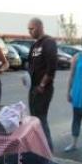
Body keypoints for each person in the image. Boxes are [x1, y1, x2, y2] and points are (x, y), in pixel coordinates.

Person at [27, 18, 57, 151]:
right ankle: (39, 148)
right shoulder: (34, 45)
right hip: (33, 88)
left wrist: (42, 85)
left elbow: (51, 68)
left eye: (31, 28)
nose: (29, 31)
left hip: (43, 89)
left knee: (41, 119)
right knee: (34, 119)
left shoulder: (49, 42)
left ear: (40, 27)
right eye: (28, 29)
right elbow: (31, 65)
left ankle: (49, 150)